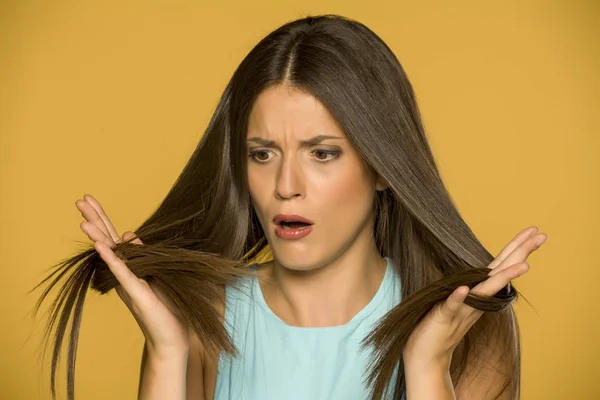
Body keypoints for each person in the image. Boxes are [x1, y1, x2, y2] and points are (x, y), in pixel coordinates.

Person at [46, 14, 546, 400]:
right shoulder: (201, 316)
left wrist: (428, 368)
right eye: (262, 154)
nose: (285, 186)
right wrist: (166, 351)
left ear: (382, 168)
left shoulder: (468, 323)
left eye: (322, 153)